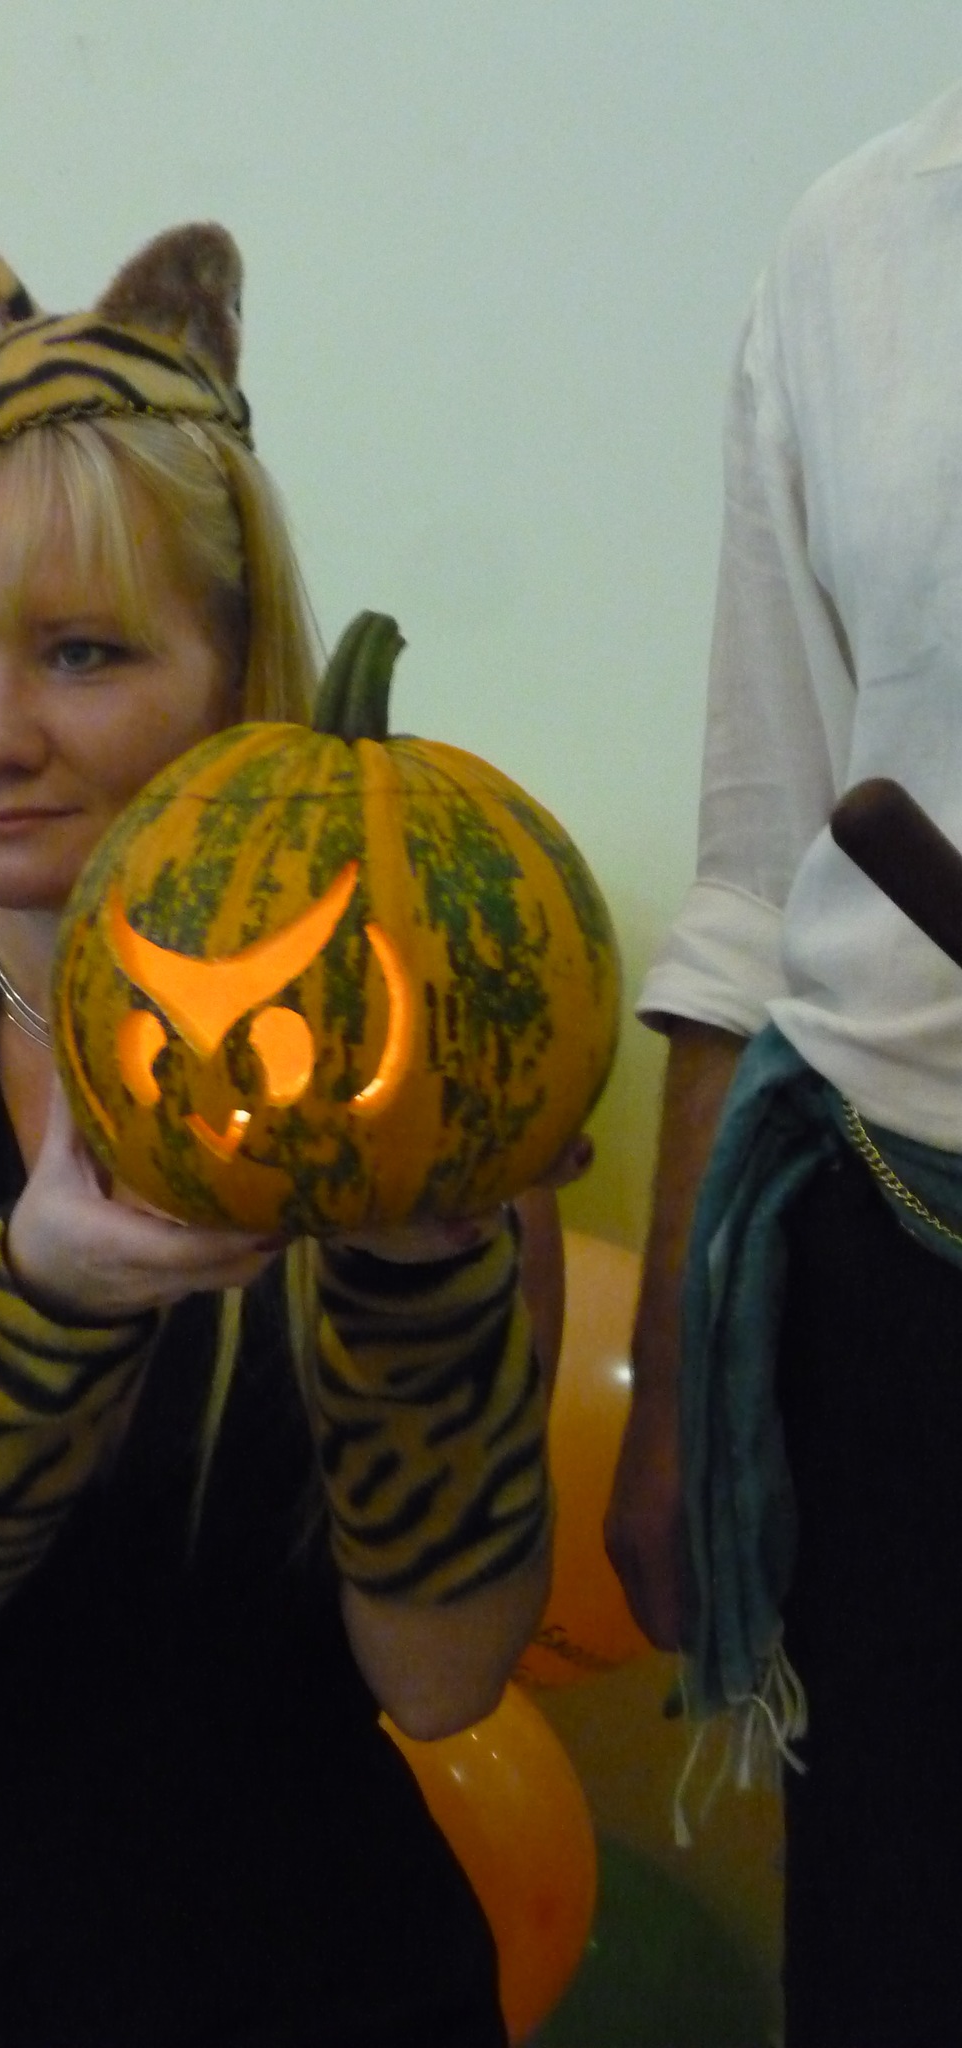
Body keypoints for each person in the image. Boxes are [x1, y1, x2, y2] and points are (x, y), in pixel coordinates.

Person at [0, 222, 572, 2048]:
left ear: (238, 678)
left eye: (79, 654)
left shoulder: (434, 1102)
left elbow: (445, 1675)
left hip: (303, 1965)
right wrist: (44, 1302)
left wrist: (417, 1287)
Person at [605, 83, 962, 2048]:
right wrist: (678, 1380)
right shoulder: (858, 245)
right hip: (895, 1282)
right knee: (899, 1948)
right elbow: (757, 866)